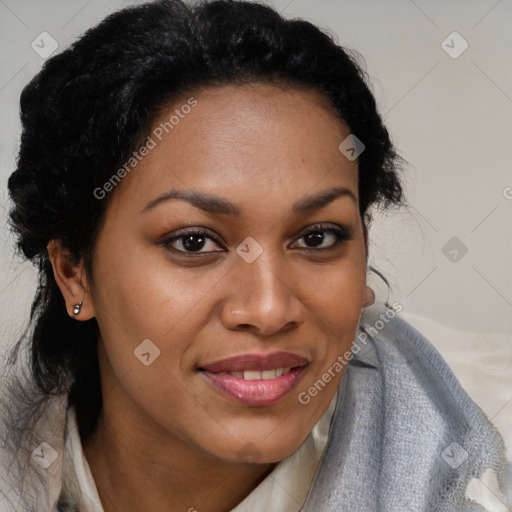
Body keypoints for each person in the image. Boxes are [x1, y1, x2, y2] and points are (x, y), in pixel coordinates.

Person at [1, 1, 508, 511]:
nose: (269, 309)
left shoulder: (481, 465)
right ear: (74, 273)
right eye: (194, 242)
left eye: (317, 238)